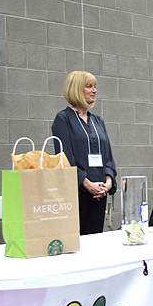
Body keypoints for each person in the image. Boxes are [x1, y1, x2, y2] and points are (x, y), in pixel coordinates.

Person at [52, 71, 117, 235]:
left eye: (94, 86)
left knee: (95, 240)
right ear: (76, 89)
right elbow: (64, 158)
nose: (94, 90)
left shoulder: (98, 121)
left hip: (99, 194)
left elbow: (108, 156)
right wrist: (87, 184)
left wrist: (108, 182)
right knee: (77, 241)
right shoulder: (63, 119)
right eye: (89, 86)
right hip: (77, 194)